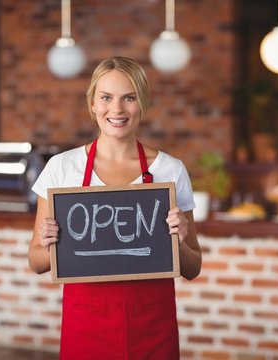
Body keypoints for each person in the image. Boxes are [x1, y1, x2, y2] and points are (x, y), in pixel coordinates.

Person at [28, 56, 202, 359]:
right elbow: (36, 261)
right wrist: (48, 244)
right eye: (106, 97)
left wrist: (180, 241)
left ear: (142, 103)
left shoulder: (171, 171)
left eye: (129, 98)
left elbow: (193, 267)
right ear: (93, 103)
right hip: (85, 327)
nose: (117, 109)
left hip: (152, 326)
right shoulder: (62, 168)